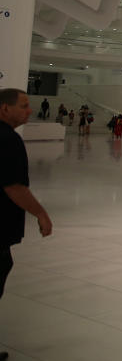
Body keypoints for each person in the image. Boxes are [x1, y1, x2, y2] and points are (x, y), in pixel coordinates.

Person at [1, 91, 54, 338]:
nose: (29, 110)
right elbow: (13, 186)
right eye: (23, 106)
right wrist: (41, 213)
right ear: (4, 109)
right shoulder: (8, 139)